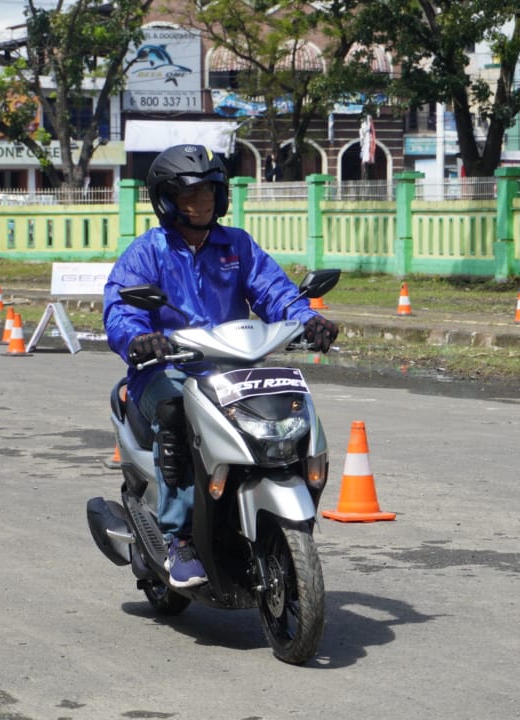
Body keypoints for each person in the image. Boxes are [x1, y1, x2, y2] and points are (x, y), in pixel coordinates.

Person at [104, 144, 338, 588]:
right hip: (166, 370)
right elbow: (121, 309)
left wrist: (308, 320)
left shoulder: (237, 245)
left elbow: (275, 292)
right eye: (191, 193)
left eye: (210, 191)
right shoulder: (148, 252)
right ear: (167, 199)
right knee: (174, 413)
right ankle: (179, 539)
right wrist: (138, 339)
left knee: (287, 406)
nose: (203, 201)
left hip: (232, 369)